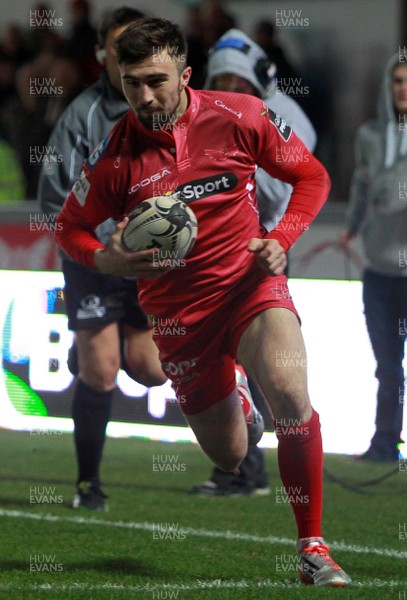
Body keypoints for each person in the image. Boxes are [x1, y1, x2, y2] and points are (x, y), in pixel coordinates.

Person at [55, 17, 351, 586]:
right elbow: (70, 227)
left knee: (291, 396)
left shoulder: (241, 117)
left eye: (156, 81)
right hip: (178, 319)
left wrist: (280, 239)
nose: (143, 96)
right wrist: (105, 260)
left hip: (249, 287)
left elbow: (311, 178)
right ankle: (235, 390)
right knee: (230, 457)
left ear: (187, 74)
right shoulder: (114, 157)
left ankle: (312, 547)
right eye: (131, 82)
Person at [38, 7, 168, 511]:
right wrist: (100, 244)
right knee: (103, 372)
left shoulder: (166, 111)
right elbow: (54, 203)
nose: (127, 60)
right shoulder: (81, 117)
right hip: (94, 260)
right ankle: (88, 483)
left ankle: (85, 353)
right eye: (118, 50)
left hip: (145, 263)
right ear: (101, 56)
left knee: (152, 369)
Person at [189, 27, 317, 497]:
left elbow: (286, 189)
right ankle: (241, 466)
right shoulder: (213, 115)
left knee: (266, 365)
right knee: (230, 364)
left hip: (264, 253)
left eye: (237, 83)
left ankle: (252, 471)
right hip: (219, 256)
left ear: (259, 80)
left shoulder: (284, 117)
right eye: (220, 80)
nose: (228, 90)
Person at [340, 53, 407, 462]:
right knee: (387, 366)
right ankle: (384, 444)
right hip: (380, 271)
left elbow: (386, 194)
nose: (403, 87)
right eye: (397, 80)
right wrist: (349, 228)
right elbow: (363, 189)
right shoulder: (368, 135)